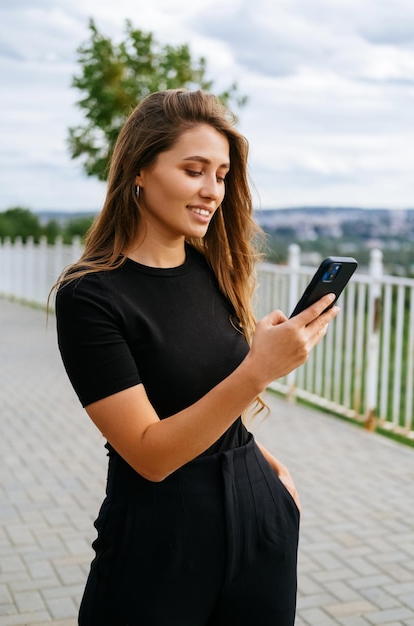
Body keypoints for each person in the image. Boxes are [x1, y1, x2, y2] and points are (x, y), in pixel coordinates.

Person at [54, 89, 339, 626]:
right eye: (194, 170)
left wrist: (265, 468)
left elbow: (205, 402)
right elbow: (150, 455)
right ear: (139, 170)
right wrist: (260, 369)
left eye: (223, 174)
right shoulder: (91, 296)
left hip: (258, 518)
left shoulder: (212, 269)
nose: (213, 191)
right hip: (161, 537)